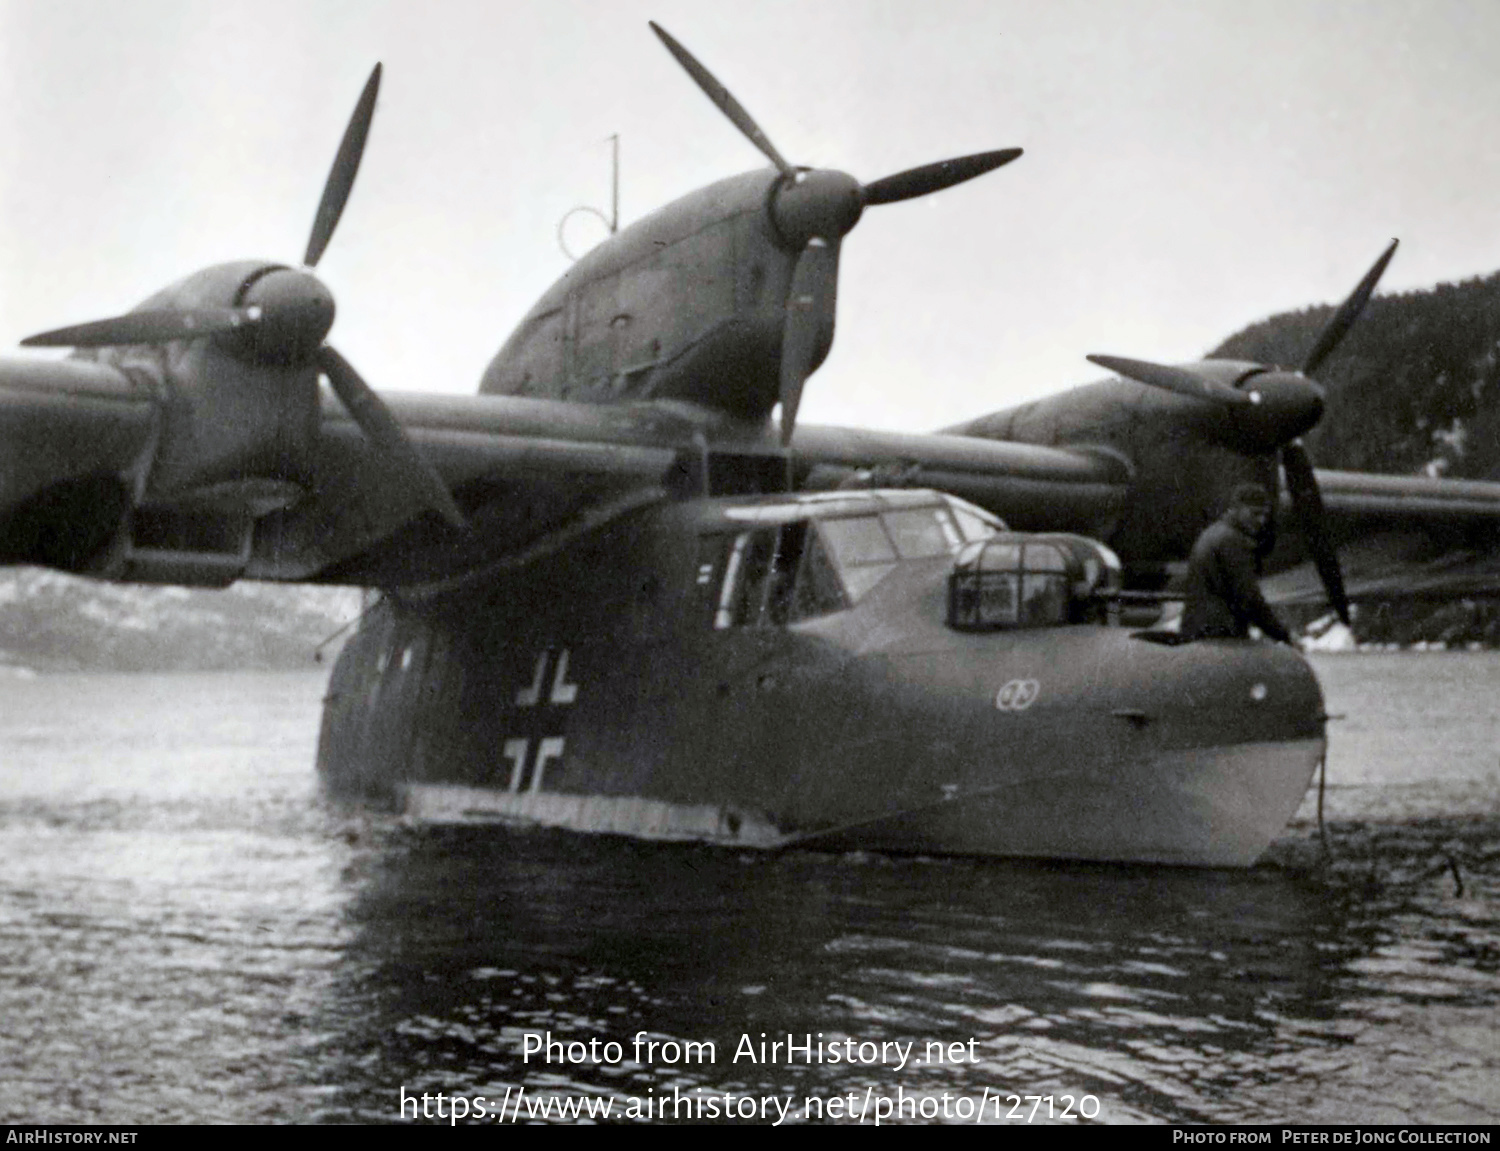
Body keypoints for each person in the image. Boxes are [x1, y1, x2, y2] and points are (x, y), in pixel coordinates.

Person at [1179, 483, 1292, 643]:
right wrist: (1282, 634)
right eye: (1255, 513)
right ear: (1236, 508)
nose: (1261, 521)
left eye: (1265, 515)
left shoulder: (1212, 533)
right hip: (1221, 635)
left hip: (1197, 632)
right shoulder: (1232, 541)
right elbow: (1249, 598)